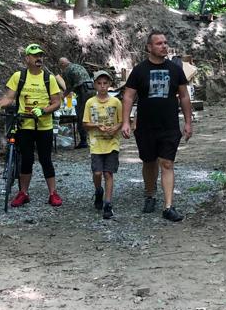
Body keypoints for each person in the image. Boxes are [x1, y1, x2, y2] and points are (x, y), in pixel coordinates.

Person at [121, 31, 192, 222]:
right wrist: (126, 121)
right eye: (159, 43)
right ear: (149, 47)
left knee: (167, 163)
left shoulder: (175, 69)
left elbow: (184, 96)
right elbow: (128, 96)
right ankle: (150, 194)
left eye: (165, 43)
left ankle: (168, 206)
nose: (164, 46)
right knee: (149, 161)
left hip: (169, 125)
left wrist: (188, 122)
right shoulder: (139, 70)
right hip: (145, 125)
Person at [0, 44, 64, 208]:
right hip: (25, 125)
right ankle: (23, 193)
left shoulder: (49, 78)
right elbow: (9, 98)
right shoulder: (19, 76)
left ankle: (53, 193)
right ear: (27, 58)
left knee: (45, 159)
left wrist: (43, 111)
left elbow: (57, 103)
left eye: (41, 55)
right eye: (35, 55)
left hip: (44, 126)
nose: (39, 58)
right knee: (26, 159)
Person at [83, 70, 122, 220]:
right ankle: (98, 190)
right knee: (97, 173)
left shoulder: (116, 102)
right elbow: (85, 123)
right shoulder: (90, 102)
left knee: (108, 173)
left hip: (112, 142)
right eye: (99, 83)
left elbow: (121, 120)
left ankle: (108, 204)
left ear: (110, 84)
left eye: (105, 83)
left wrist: (115, 128)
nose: (102, 86)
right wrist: (97, 126)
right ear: (95, 85)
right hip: (96, 143)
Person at [58, 57, 94, 148]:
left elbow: (68, 88)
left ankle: (83, 141)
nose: (61, 68)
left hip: (83, 92)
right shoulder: (78, 66)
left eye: (60, 66)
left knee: (81, 115)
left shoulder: (67, 71)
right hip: (92, 89)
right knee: (92, 114)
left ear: (62, 64)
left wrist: (62, 96)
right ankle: (93, 137)